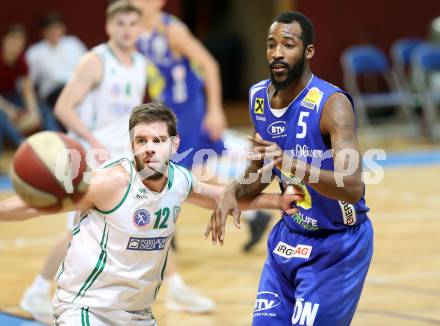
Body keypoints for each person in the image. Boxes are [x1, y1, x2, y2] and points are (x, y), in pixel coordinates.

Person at [0, 102, 300, 325]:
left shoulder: (181, 180)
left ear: (175, 144)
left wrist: (277, 201)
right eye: (142, 141)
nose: (150, 148)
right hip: (87, 309)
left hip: (137, 314)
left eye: (158, 140)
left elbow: (221, 198)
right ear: (132, 145)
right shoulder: (111, 182)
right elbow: (37, 205)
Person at [208, 12, 374, 325]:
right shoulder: (259, 98)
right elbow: (260, 175)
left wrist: (288, 162)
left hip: (337, 243)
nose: (277, 53)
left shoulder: (332, 104)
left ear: (308, 51)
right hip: (289, 236)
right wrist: (232, 191)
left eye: (288, 44)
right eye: (271, 45)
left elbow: (352, 188)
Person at [19, 1, 147, 323]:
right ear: (108, 26)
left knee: (119, 228)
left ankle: (96, 296)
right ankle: (40, 290)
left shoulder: (141, 64)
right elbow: (63, 107)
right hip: (91, 157)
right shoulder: (95, 61)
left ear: (140, 28)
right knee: (78, 231)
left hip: (121, 158)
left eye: (133, 23)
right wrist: (93, 142)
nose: (127, 29)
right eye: (121, 23)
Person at [132, 0, 270, 251]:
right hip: (167, 108)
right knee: (195, 171)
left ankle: (164, 228)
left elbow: (209, 65)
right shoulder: (137, 31)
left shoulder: (172, 30)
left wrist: (215, 109)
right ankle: (252, 215)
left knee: (177, 169)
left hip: (189, 110)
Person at [0, 24, 59, 155]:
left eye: (20, 41)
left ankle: (56, 139)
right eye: (13, 39)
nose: (16, 44)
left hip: (13, 96)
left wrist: (33, 110)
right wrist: (10, 110)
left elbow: (27, 90)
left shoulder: (22, 61)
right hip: (2, 100)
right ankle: (22, 144)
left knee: (43, 108)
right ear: (5, 40)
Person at [26, 12, 86, 109]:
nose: (54, 32)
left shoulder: (73, 43)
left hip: (78, 87)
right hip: (53, 92)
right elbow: (27, 81)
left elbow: (87, 67)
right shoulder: (35, 52)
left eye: (57, 28)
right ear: (43, 32)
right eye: (50, 29)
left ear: (63, 29)